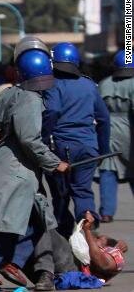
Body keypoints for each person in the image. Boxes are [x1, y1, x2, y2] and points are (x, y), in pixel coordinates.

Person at [0, 38, 70, 289]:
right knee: (6, 230)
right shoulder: (31, 100)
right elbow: (29, 139)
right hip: (18, 171)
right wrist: (54, 163)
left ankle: (11, 263)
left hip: (12, 167)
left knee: (37, 222)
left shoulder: (11, 93)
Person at [43, 42, 110, 236]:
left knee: (61, 196)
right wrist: (103, 150)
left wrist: (43, 138)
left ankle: (64, 236)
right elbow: (104, 118)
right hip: (88, 146)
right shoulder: (89, 85)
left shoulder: (51, 83)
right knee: (83, 191)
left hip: (61, 147)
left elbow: (53, 110)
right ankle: (87, 221)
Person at [97, 49, 133, 223]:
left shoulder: (105, 83)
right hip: (129, 130)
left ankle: (106, 212)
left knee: (108, 169)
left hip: (108, 130)